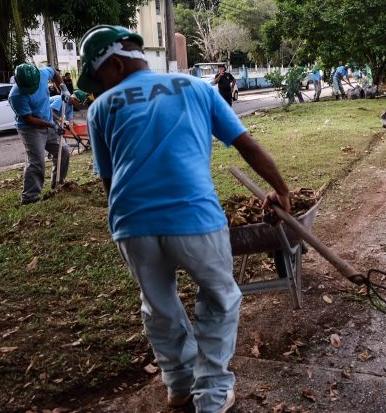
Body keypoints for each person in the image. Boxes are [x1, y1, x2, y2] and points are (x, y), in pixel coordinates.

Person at [77, 25, 290, 413]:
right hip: (194, 217)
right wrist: (282, 189)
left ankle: (178, 385)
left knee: (158, 305)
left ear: (118, 63)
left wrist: (126, 221)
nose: (97, 86)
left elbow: (109, 181)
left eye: (99, 76)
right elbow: (247, 145)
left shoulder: (101, 109)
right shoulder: (195, 88)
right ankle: (210, 396)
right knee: (220, 299)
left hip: (132, 222)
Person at [8, 63, 70, 205]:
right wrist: (52, 125)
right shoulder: (16, 96)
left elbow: (54, 72)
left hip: (48, 123)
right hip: (30, 129)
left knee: (64, 152)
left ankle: (58, 184)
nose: (32, 90)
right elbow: (29, 119)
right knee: (36, 161)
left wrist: (63, 88)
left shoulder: (42, 74)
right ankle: (30, 196)